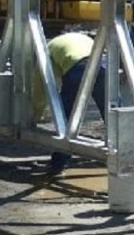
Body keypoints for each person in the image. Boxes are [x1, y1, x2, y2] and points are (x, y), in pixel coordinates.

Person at [31, 32, 107, 173]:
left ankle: (59, 163)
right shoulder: (78, 38)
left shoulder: (47, 51)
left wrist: (34, 116)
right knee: (111, 113)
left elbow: (42, 87)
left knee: (66, 117)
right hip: (102, 64)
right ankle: (123, 154)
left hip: (77, 67)